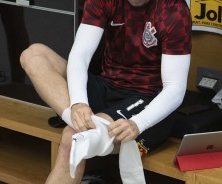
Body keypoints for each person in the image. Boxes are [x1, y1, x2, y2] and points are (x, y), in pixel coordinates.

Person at [20, 0, 192, 183]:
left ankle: (88, 133)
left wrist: (139, 123)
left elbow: (175, 88)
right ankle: (87, 126)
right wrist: (79, 102)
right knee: (34, 54)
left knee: (73, 139)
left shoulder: (174, 9)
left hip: (146, 99)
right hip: (106, 85)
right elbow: (80, 55)